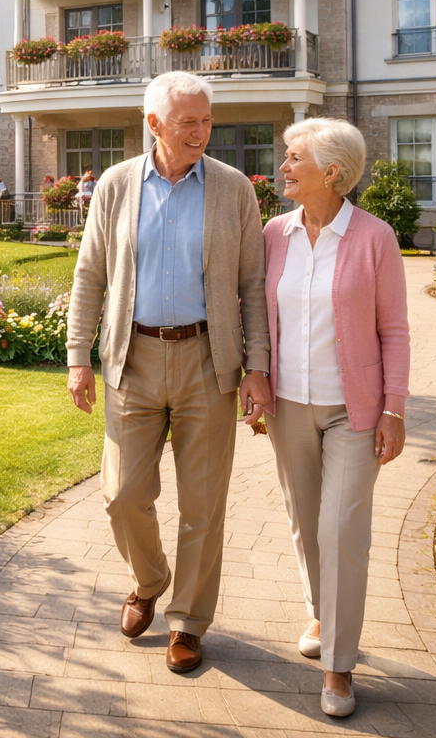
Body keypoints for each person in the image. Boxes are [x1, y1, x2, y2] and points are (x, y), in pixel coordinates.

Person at [65, 71, 270, 676]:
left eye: (208, 121)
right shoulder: (117, 184)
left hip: (210, 361)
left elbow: (252, 285)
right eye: (189, 122)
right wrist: (80, 356)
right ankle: (150, 580)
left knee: (203, 504)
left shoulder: (234, 189)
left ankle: (187, 621)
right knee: (123, 493)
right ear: (153, 123)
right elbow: (90, 276)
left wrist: (255, 365)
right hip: (135, 357)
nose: (202, 133)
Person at [257, 118, 410, 718]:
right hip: (289, 404)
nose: (284, 167)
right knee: (304, 520)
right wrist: (257, 379)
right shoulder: (274, 233)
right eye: (286, 156)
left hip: (356, 411)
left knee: (340, 528)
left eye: (295, 158)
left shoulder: (375, 238)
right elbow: (258, 314)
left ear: (333, 172)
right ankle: (323, 612)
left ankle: (338, 667)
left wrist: (393, 408)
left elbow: (393, 330)